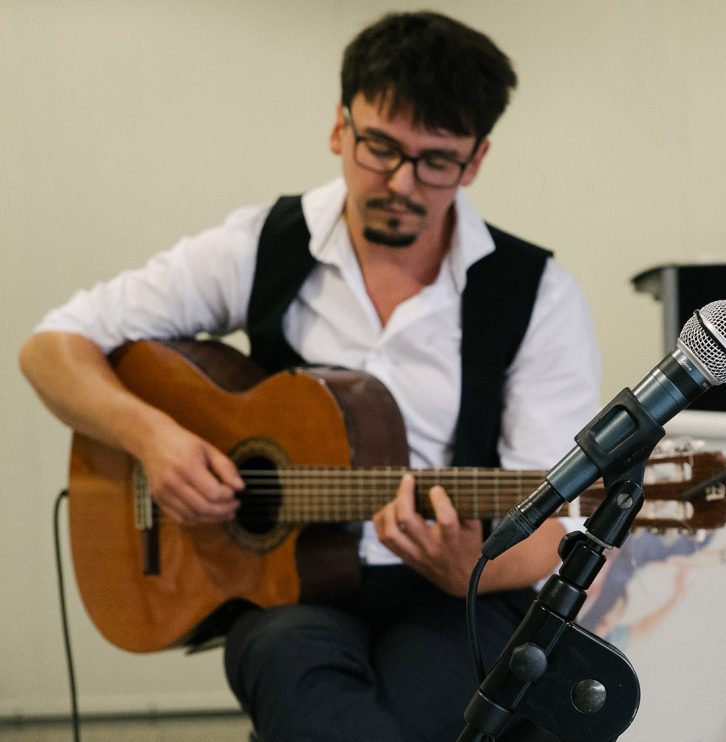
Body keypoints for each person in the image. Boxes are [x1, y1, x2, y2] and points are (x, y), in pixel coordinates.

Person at [19, 11, 600, 741]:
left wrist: (472, 568)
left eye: (435, 161)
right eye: (379, 147)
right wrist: (154, 439)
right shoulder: (262, 244)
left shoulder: (536, 295)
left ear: (476, 160)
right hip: (286, 590)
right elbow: (52, 348)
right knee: (295, 670)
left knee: (407, 713)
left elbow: (560, 516)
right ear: (339, 128)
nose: (399, 181)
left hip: (450, 594)